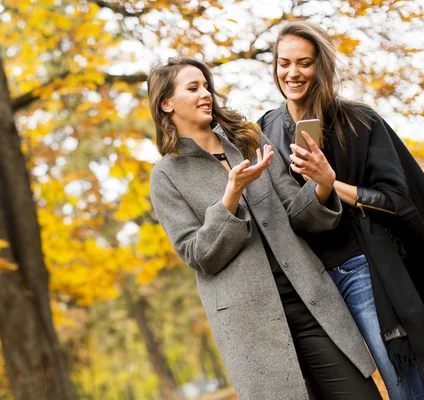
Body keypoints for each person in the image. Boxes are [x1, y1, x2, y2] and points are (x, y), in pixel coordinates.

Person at [148, 57, 381, 399]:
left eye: (206, 86)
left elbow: (297, 213)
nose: (205, 94)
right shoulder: (166, 175)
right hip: (249, 323)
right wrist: (230, 197)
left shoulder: (248, 140)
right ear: (166, 103)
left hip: (310, 302)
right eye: (193, 87)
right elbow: (197, 254)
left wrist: (322, 184)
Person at [258, 21, 424, 400]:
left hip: (362, 271)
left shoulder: (358, 120)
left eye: (304, 63)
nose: (292, 73)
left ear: (321, 67)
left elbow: (396, 201)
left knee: (401, 382)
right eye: (284, 63)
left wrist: (329, 182)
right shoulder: (266, 128)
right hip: (309, 284)